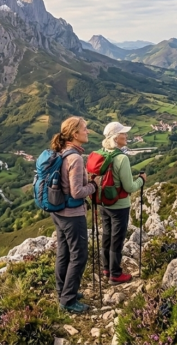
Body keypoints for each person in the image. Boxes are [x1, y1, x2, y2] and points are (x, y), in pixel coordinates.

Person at [50, 116, 97, 314]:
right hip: (72, 215)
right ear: (75, 134)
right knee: (79, 255)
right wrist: (93, 186)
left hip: (58, 212)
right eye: (84, 129)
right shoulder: (75, 158)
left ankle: (63, 291)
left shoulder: (62, 153)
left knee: (64, 252)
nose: (88, 131)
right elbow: (77, 192)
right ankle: (68, 300)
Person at [98, 122, 146, 285]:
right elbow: (129, 187)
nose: (126, 136)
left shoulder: (103, 154)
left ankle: (106, 268)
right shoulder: (121, 158)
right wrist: (141, 180)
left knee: (106, 235)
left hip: (104, 203)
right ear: (116, 137)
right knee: (117, 239)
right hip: (119, 205)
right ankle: (115, 274)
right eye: (123, 134)